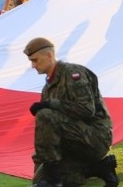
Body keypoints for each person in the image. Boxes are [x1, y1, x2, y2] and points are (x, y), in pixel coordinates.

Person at [24, 37, 118, 187]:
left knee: (45, 115)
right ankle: (100, 168)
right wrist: (40, 174)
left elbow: (86, 110)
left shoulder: (73, 74)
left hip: (95, 137)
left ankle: (53, 180)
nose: (33, 65)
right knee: (57, 180)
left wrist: (51, 104)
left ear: (49, 55)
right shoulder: (48, 88)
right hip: (72, 144)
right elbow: (46, 136)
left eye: (35, 60)